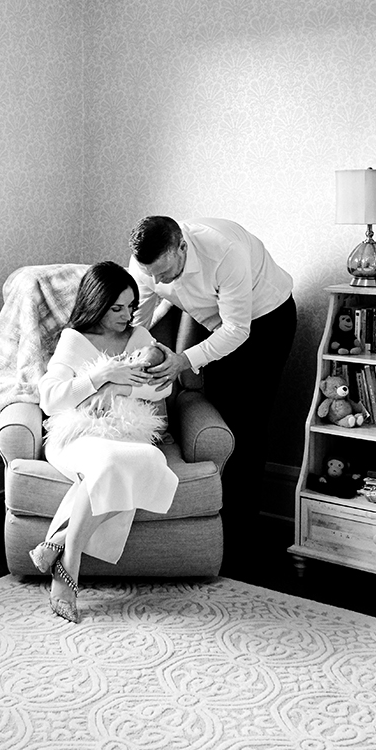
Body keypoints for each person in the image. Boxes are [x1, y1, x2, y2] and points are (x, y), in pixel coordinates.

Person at [127, 215, 296, 549]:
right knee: (217, 416)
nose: (158, 281)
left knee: (247, 420)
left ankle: (241, 530)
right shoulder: (144, 264)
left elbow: (236, 330)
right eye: (151, 275)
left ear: (182, 247)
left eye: (164, 272)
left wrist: (183, 361)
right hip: (209, 318)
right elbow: (139, 319)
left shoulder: (224, 251)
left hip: (265, 321)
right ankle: (211, 516)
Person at [32, 262, 179, 624]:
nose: (126, 315)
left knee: (150, 462)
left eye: (130, 306)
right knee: (111, 466)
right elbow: (51, 400)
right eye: (117, 308)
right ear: (96, 304)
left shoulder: (139, 337)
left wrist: (120, 386)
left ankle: (58, 542)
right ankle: (70, 566)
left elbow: (164, 386)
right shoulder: (74, 340)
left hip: (125, 432)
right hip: (77, 434)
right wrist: (101, 375)